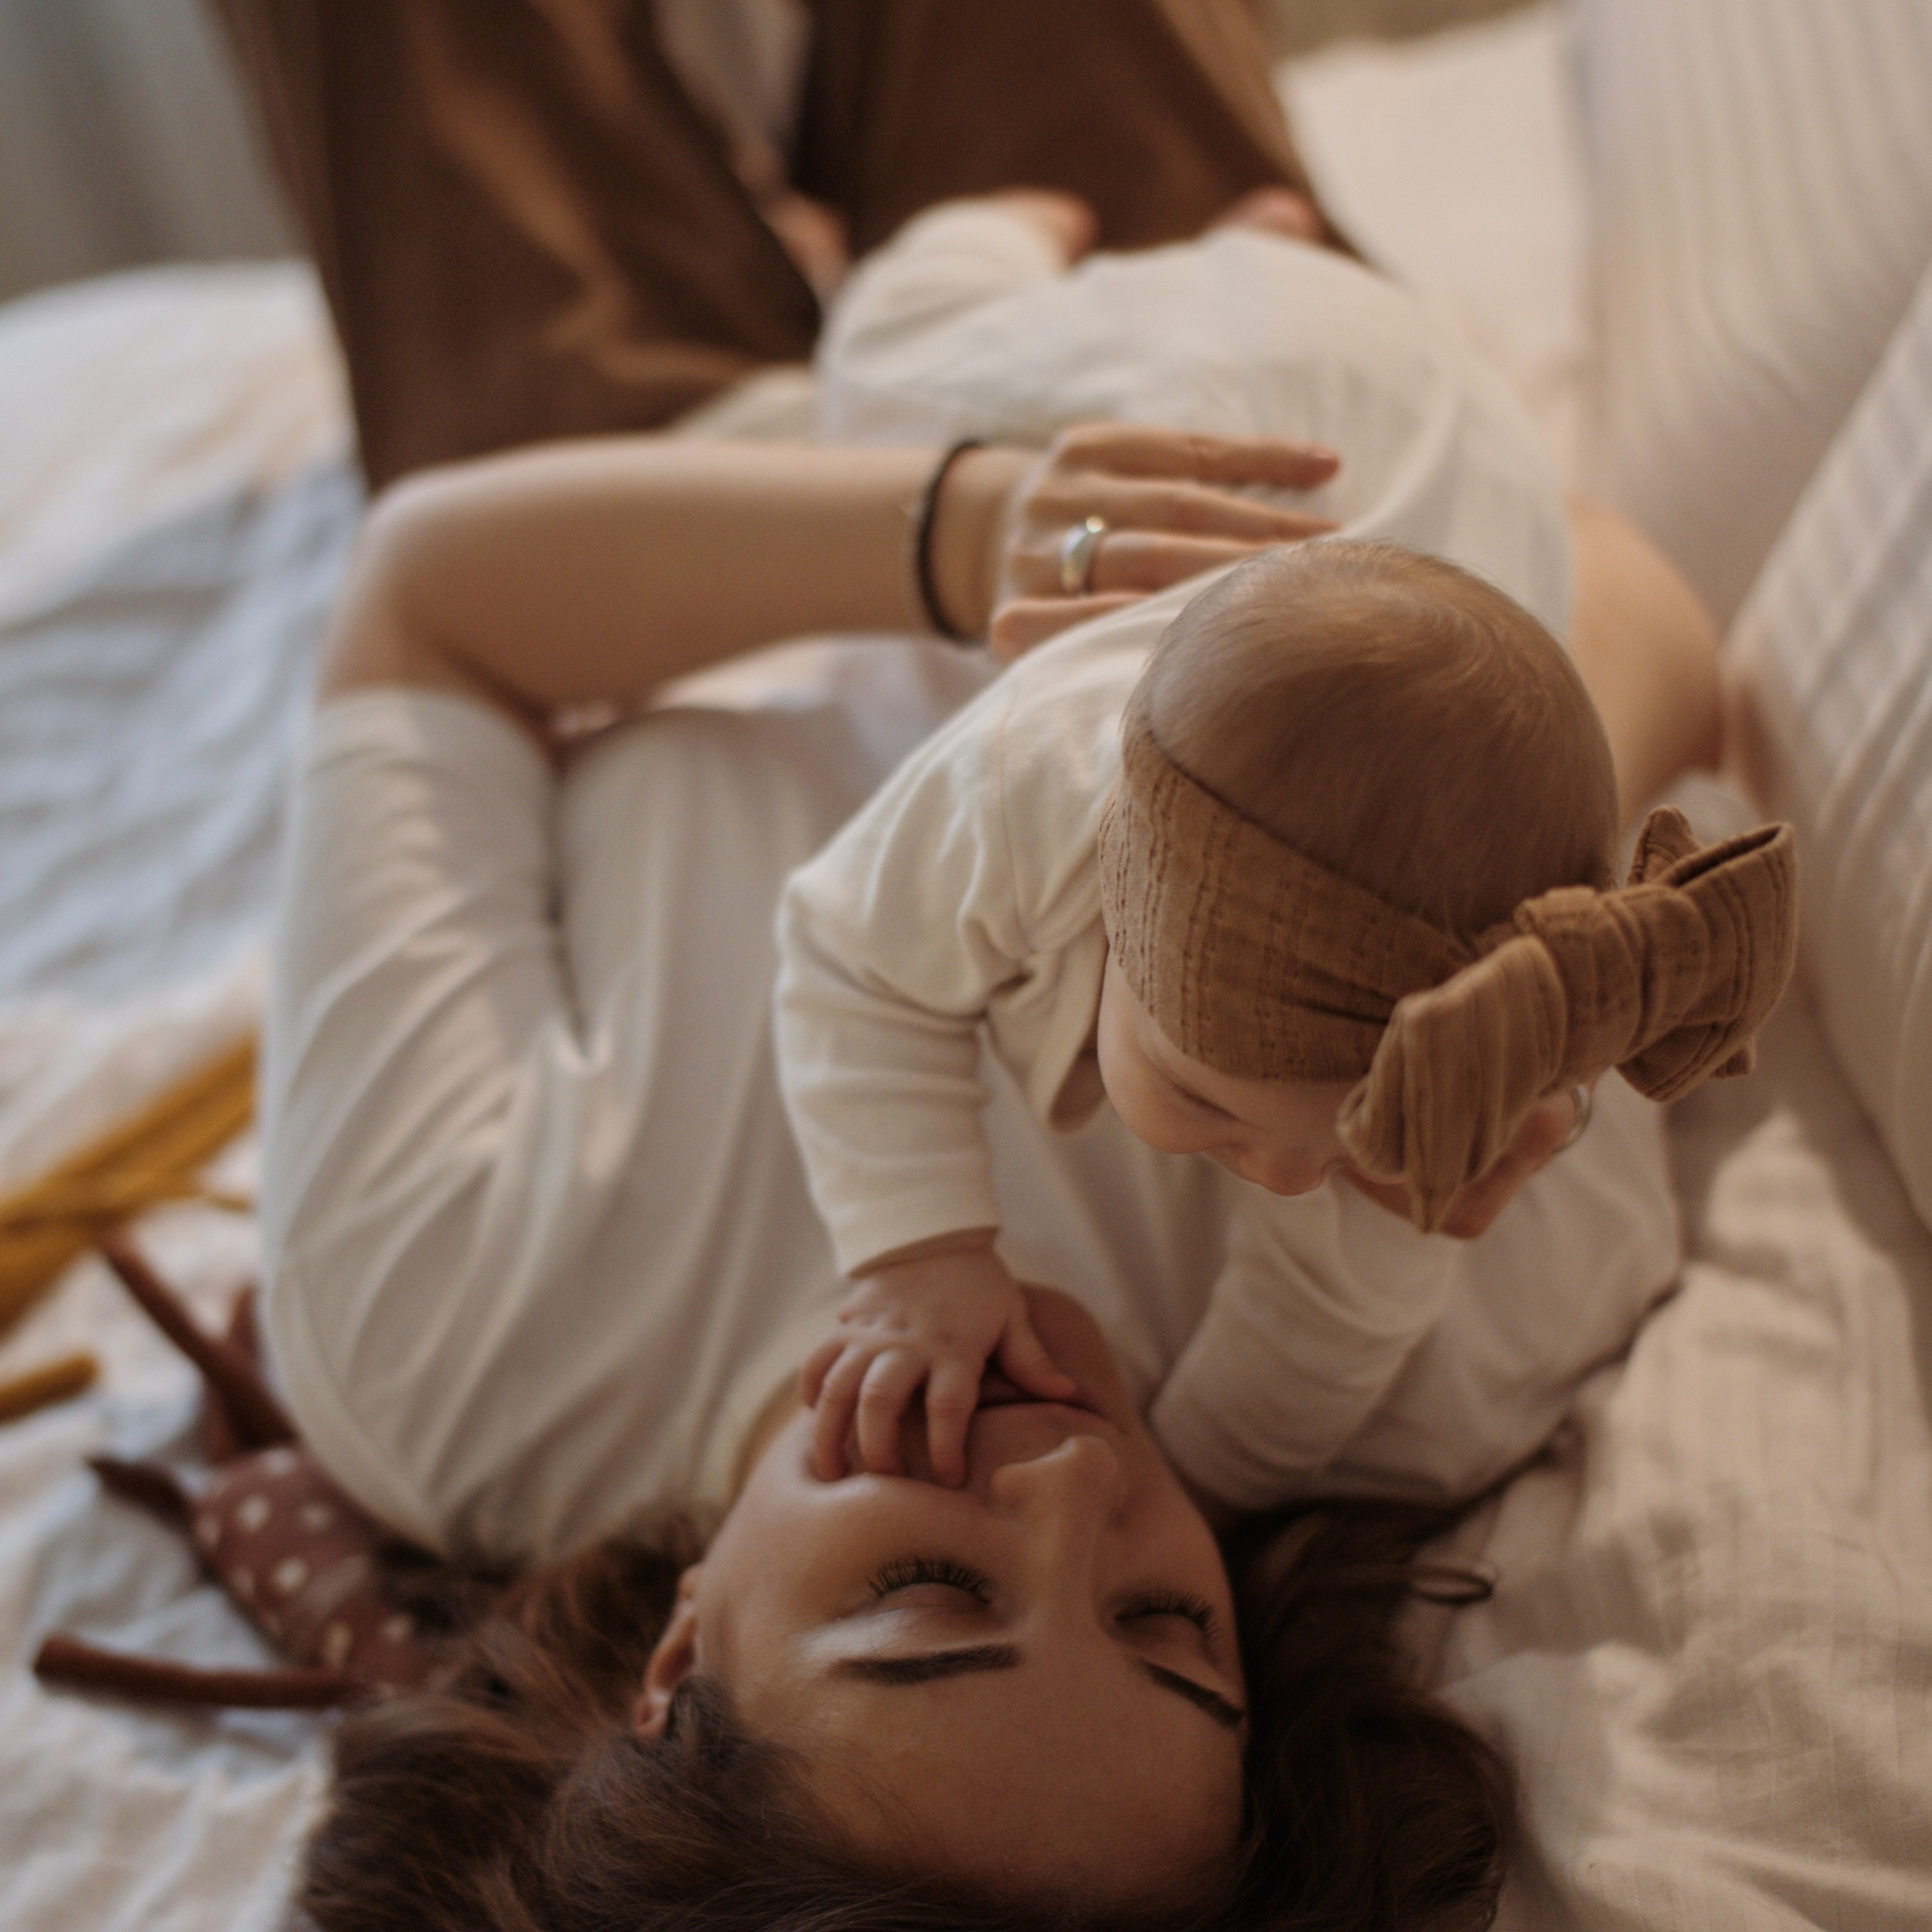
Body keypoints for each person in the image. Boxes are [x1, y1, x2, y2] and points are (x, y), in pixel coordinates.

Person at [266, 424, 1532, 1928]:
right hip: (1284, 409)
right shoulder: (1391, 1306)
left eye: (923, 1589)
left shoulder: (435, 1339)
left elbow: (426, 600)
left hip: (684, 433)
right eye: (1168, 1621)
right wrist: (1509, 966)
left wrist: (971, 524)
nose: (1073, 1479)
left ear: (673, 1671)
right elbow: (1641, 617)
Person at [775, 194, 1796, 1502]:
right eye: (1206, 1099)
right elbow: (848, 953)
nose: (1290, 1172)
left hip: (1438, 468)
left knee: (1445, 602)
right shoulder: (1035, 777)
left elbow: (1330, 1327)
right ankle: (1005, 241)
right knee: (877, 375)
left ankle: (1285, 263)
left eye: (1348, 1139)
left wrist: (1187, 1486)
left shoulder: (1459, 1061)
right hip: (1248, 417)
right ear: (1114, 891)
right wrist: (920, 1254)